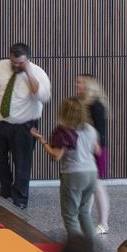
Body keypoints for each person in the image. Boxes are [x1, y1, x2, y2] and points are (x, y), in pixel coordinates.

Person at [0, 41, 51, 212]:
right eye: (13, 61)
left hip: (24, 126)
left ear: (27, 60)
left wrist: (28, 73)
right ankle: (5, 191)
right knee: (0, 160)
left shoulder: (38, 73)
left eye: (20, 63)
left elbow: (43, 97)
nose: (15, 65)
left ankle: (20, 198)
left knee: (22, 163)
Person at [35, 94, 103, 244]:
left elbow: (56, 156)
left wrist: (43, 141)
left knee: (70, 215)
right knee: (84, 212)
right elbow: (97, 150)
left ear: (64, 112)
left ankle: (76, 250)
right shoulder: (90, 129)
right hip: (92, 172)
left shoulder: (65, 132)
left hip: (74, 174)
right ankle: (92, 248)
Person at [76, 73, 113, 234]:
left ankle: (103, 223)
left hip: (97, 150)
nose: (77, 85)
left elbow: (100, 131)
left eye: (80, 82)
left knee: (97, 186)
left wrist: (95, 149)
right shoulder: (82, 103)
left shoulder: (96, 105)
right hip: (87, 149)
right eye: (77, 82)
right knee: (87, 186)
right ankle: (85, 220)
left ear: (88, 85)